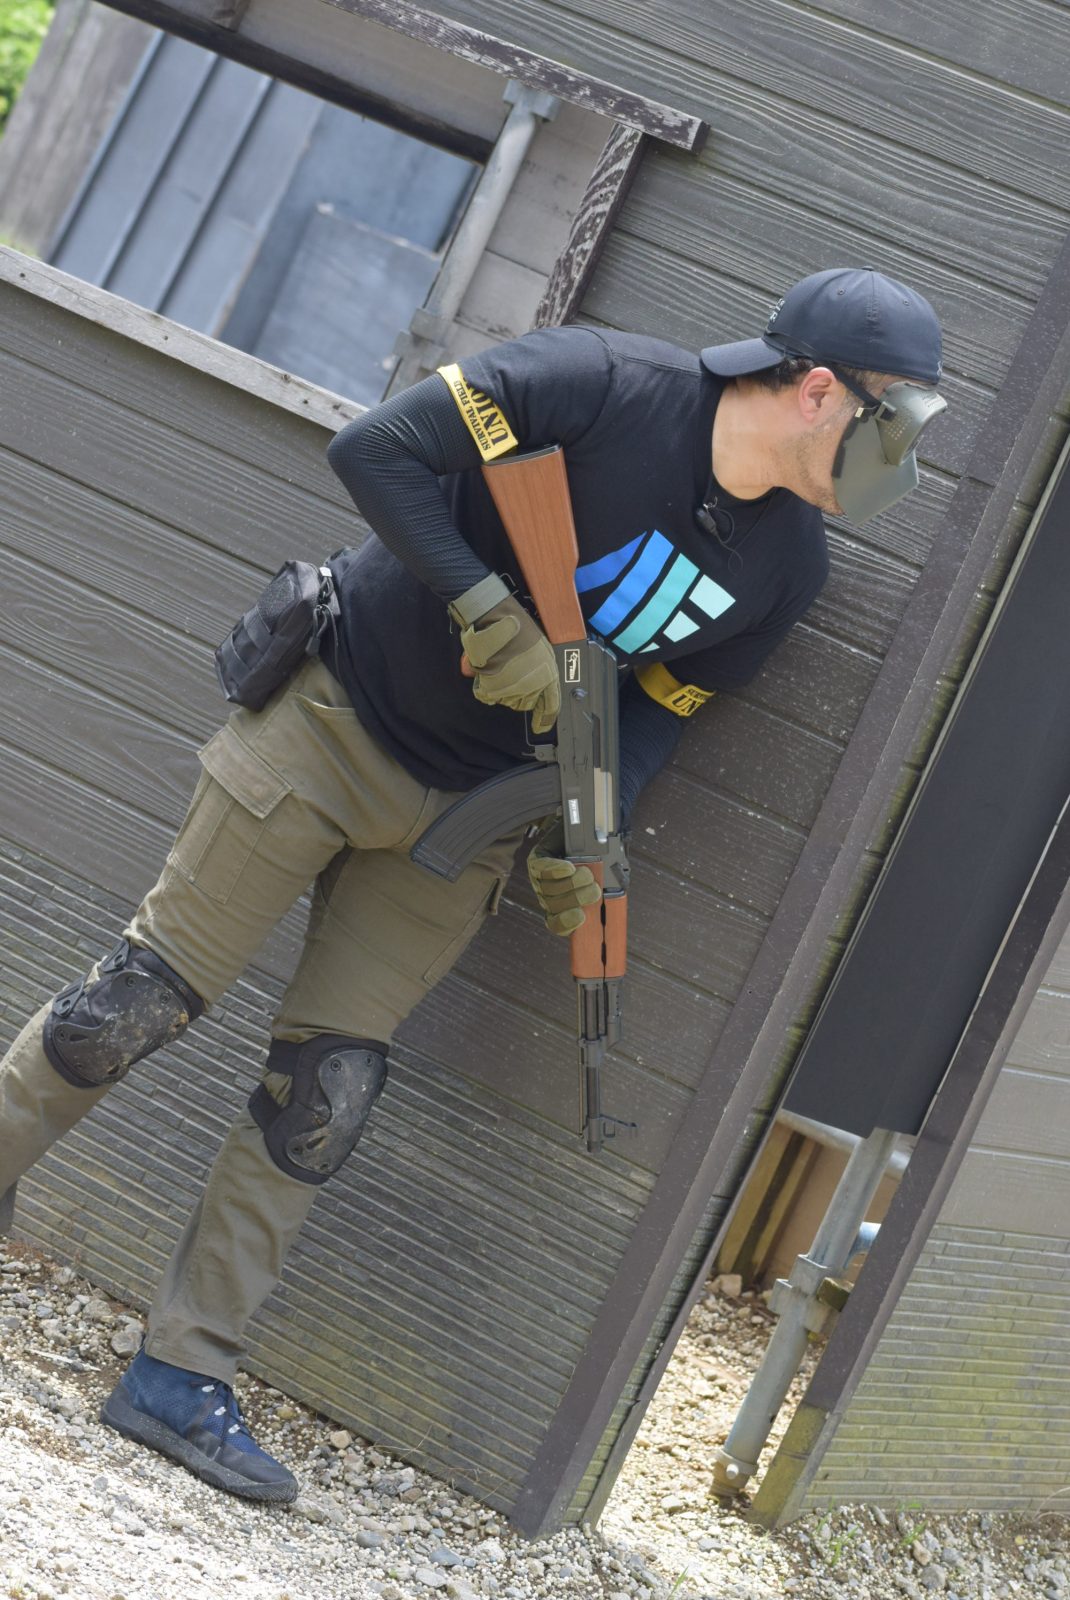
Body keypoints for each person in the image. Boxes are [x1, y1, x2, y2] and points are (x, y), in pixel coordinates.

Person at [0, 267, 945, 1502]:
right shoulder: (600, 385)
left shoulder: (785, 568)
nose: (898, 452)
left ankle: (179, 1372)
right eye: (891, 417)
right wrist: (491, 610)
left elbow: (659, 710)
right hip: (330, 724)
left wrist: (586, 828)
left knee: (325, 1091)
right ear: (816, 389)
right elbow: (376, 448)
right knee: (136, 1003)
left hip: (464, 820)